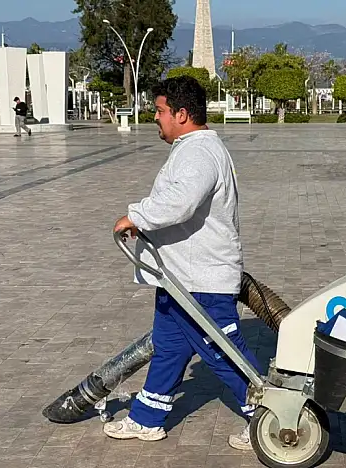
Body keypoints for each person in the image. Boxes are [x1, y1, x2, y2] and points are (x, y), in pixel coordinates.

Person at [106, 75, 261, 450]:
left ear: (182, 113)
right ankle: (146, 419)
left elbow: (181, 202)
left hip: (202, 280)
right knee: (171, 347)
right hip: (180, 278)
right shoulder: (193, 147)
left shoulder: (198, 152)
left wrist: (135, 217)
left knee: (223, 352)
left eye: (160, 111)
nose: (155, 118)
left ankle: (270, 416)